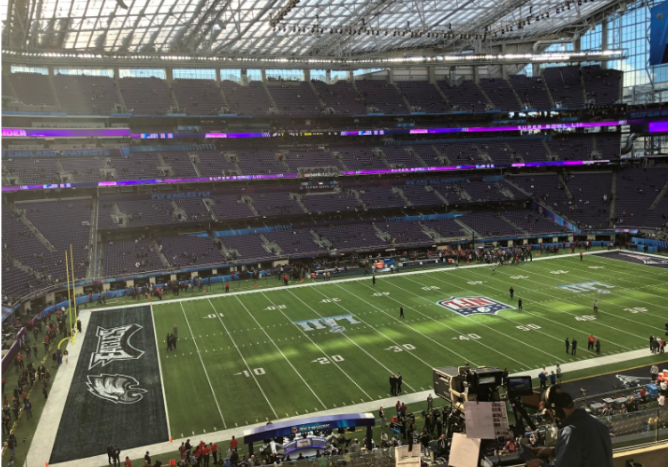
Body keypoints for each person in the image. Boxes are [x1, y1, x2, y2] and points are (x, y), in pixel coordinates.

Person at [525, 385, 612, 467]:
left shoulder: (570, 433)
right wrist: (554, 451)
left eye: (550, 413)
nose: (552, 417)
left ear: (555, 411)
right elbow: (587, 453)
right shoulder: (598, 424)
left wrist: (541, 464)